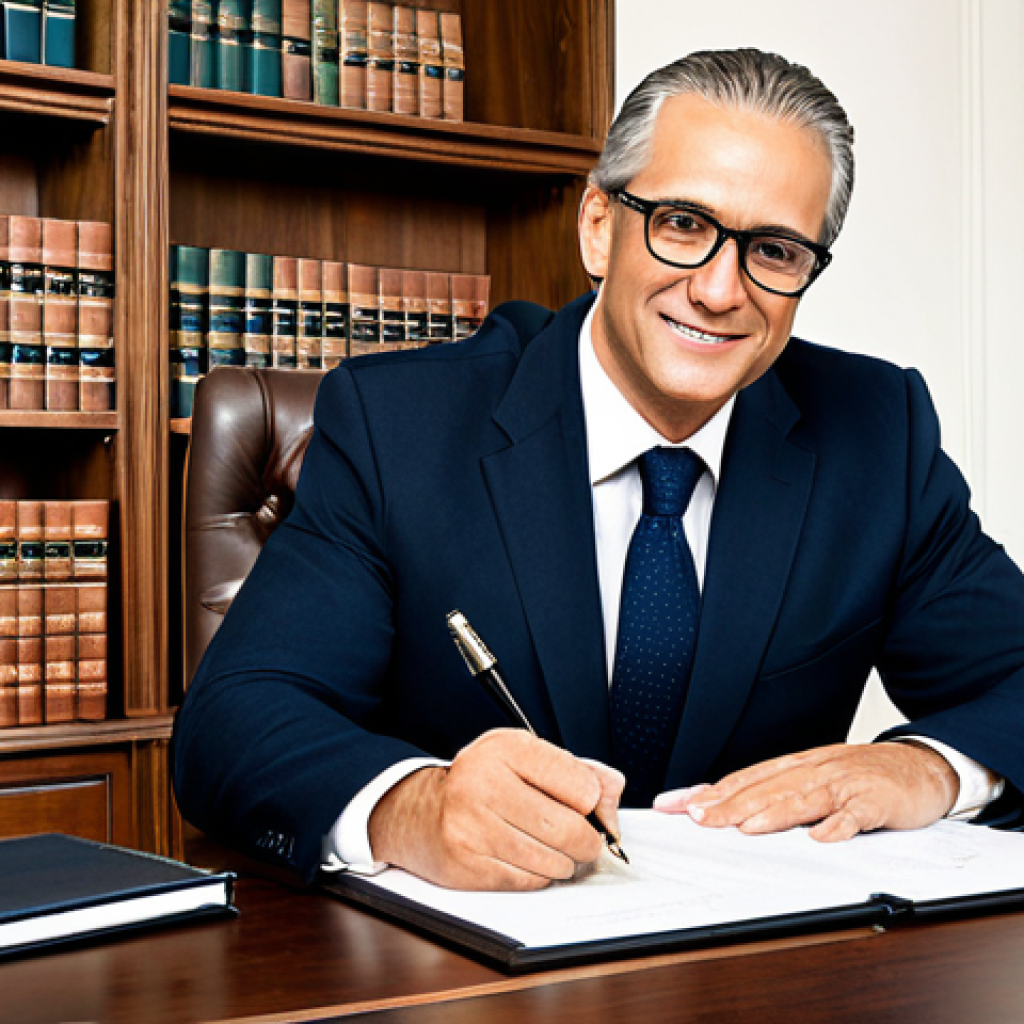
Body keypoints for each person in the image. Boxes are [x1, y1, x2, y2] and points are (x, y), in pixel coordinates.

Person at [172, 49, 1024, 891]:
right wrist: (413, 806)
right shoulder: (400, 426)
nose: (721, 290)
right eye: (683, 224)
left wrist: (933, 770)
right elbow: (233, 723)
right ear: (597, 226)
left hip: (758, 969)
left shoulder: (876, 434)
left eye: (773, 250)